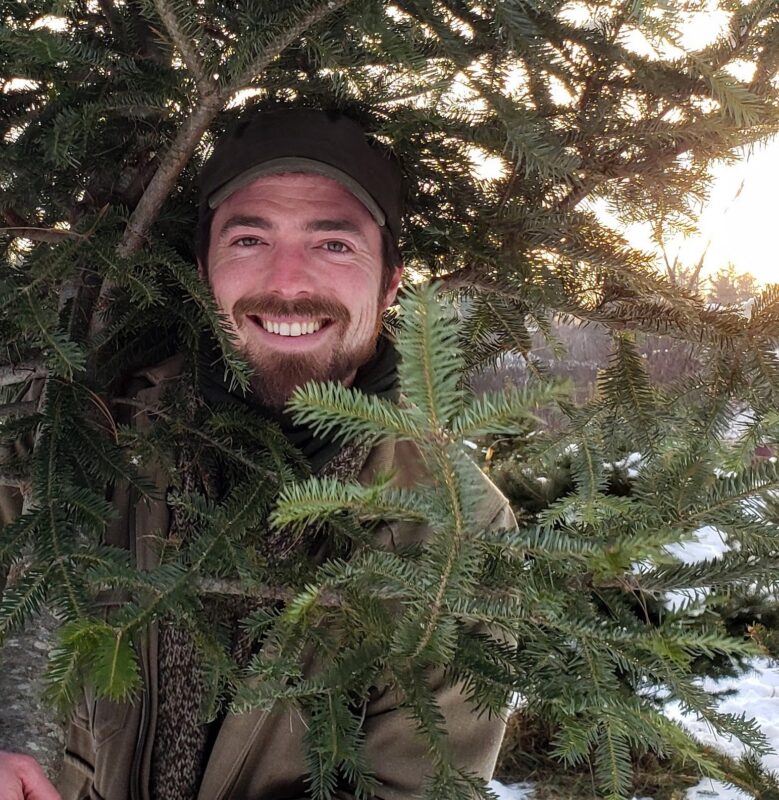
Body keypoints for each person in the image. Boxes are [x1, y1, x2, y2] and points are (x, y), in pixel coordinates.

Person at [0, 108, 514, 800]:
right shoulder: (64, 437)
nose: (289, 282)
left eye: (333, 245)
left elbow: (417, 787)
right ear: (201, 272)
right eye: (249, 239)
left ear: (390, 282)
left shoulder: (458, 524)